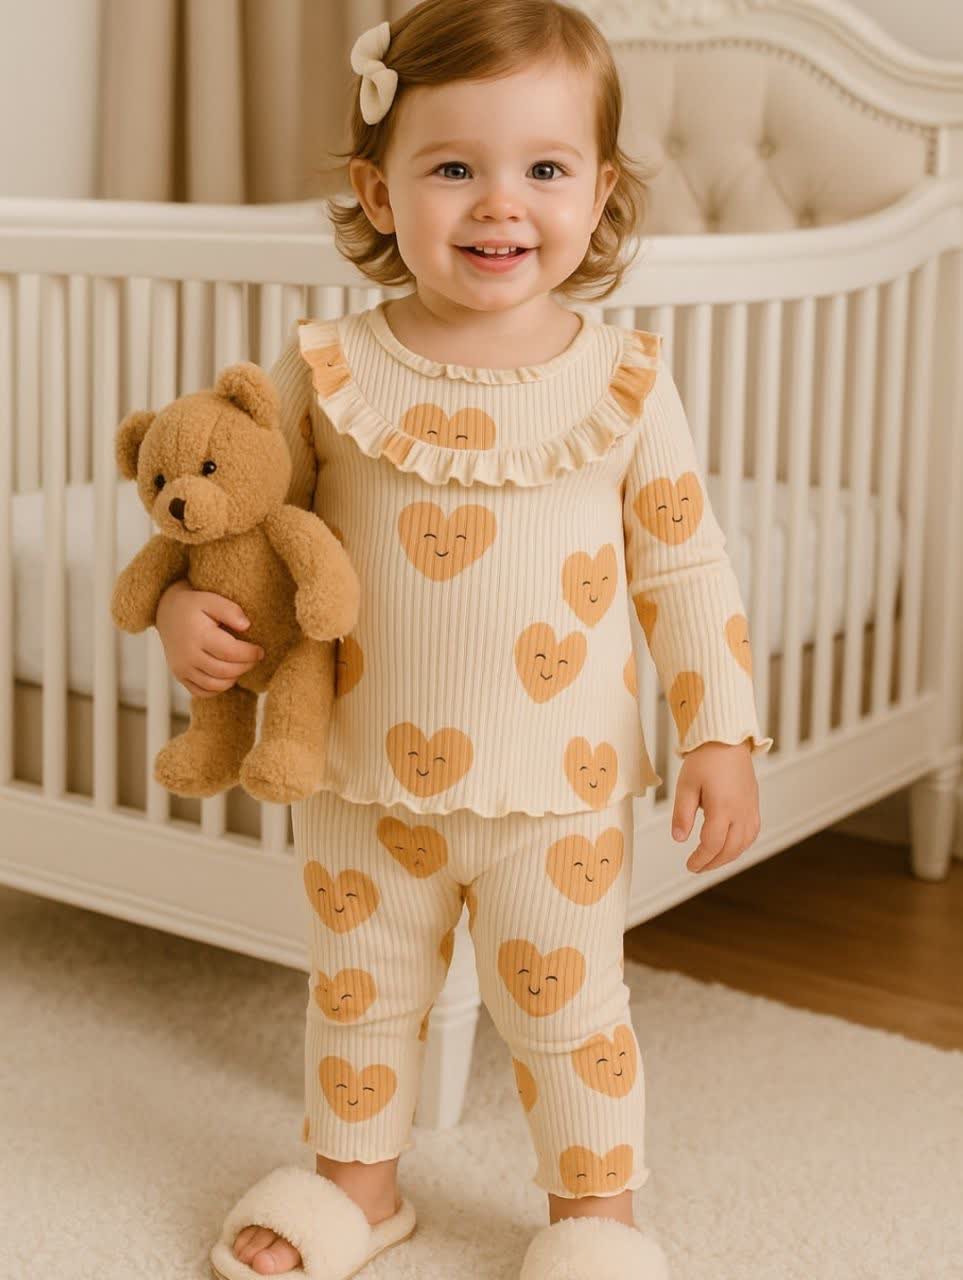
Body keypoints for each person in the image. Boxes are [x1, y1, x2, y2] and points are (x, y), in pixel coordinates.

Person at [160, 2, 773, 1276]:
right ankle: (357, 1186)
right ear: (378, 192)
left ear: (599, 193)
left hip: (560, 786)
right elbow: (249, 520)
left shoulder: (623, 380)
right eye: (454, 167)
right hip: (360, 772)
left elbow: (682, 560)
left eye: (545, 168)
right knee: (358, 987)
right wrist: (184, 606)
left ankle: (594, 1217)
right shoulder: (328, 366)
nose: (502, 203)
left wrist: (719, 726)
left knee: (571, 1009)